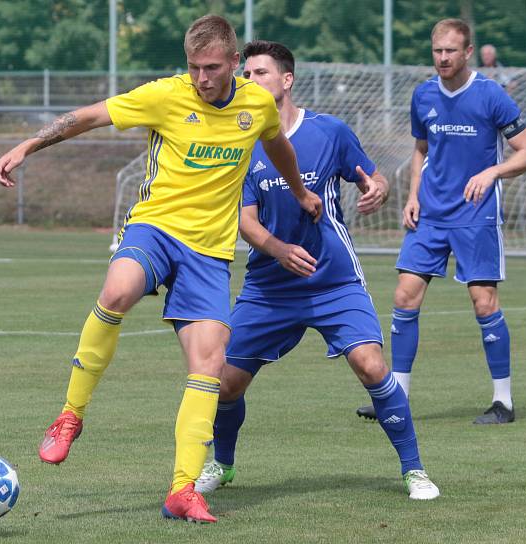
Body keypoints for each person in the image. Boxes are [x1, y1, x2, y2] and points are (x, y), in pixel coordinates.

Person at [0, 15, 322, 524]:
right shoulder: (165, 95)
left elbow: (277, 143)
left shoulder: (255, 103)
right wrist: (27, 146)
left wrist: (299, 190)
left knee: (209, 364)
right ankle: (70, 415)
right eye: (193, 67)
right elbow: (87, 117)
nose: (202, 78)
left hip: (210, 252)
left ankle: (182, 490)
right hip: (157, 228)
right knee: (118, 290)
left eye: (212, 67)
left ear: (235, 63)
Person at [194, 40, 440, 501]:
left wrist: (379, 190)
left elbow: (373, 177)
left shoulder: (330, 132)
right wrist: (279, 249)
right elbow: (245, 221)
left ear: (286, 80)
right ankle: (222, 465)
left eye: (260, 73)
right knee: (225, 383)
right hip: (269, 286)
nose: (249, 80)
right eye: (245, 74)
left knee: (370, 365)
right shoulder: (242, 143)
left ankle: (414, 470)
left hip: (333, 280)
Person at [356, 19, 526, 424]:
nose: (442, 58)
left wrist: (492, 173)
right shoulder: (423, 95)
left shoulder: (492, 96)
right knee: (405, 295)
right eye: (437, 50)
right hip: (430, 216)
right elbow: (421, 149)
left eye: (451, 51)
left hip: (476, 215)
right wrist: (412, 196)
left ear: (468, 52)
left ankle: (503, 402)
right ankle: (396, 396)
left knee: (483, 302)